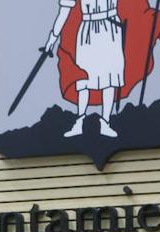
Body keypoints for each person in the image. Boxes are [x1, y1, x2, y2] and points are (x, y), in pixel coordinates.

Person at [47, 0, 125, 138]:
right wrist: (52, 38)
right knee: (83, 78)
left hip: (111, 27)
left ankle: (105, 123)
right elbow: (65, 10)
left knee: (110, 78)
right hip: (88, 31)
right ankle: (79, 122)